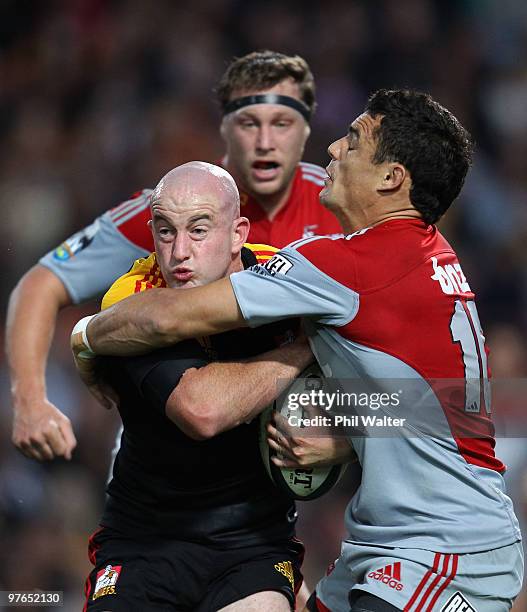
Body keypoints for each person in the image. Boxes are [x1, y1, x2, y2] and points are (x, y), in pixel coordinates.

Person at [74, 89, 523, 610]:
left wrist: (84, 338)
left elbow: (170, 314)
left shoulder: (344, 266)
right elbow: (440, 404)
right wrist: (348, 430)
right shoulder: (432, 255)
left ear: (391, 178)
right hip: (383, 548)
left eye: (353, 141)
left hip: (441, 548)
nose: (332, 148)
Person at [6, 49, 342, 462]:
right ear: (224, 127)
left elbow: (417, 369)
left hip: (290, 462)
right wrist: (30, 400)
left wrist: (348, 438)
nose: (265, 142)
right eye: (248, 123)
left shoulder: (344, 210)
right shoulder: (170, 209)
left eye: (282, 123)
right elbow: (40, 284)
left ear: (306, 130)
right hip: (170, 469)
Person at [83, 161, 314, 611]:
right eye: (165, 231)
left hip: (253, 545)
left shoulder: (289, 281)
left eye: (199, 230)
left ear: (238, 233)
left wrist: (342, 441)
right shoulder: (131, 298)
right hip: (144, 543)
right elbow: (202, 411)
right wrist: (306, 348)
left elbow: (386, 390)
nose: (179, 252)